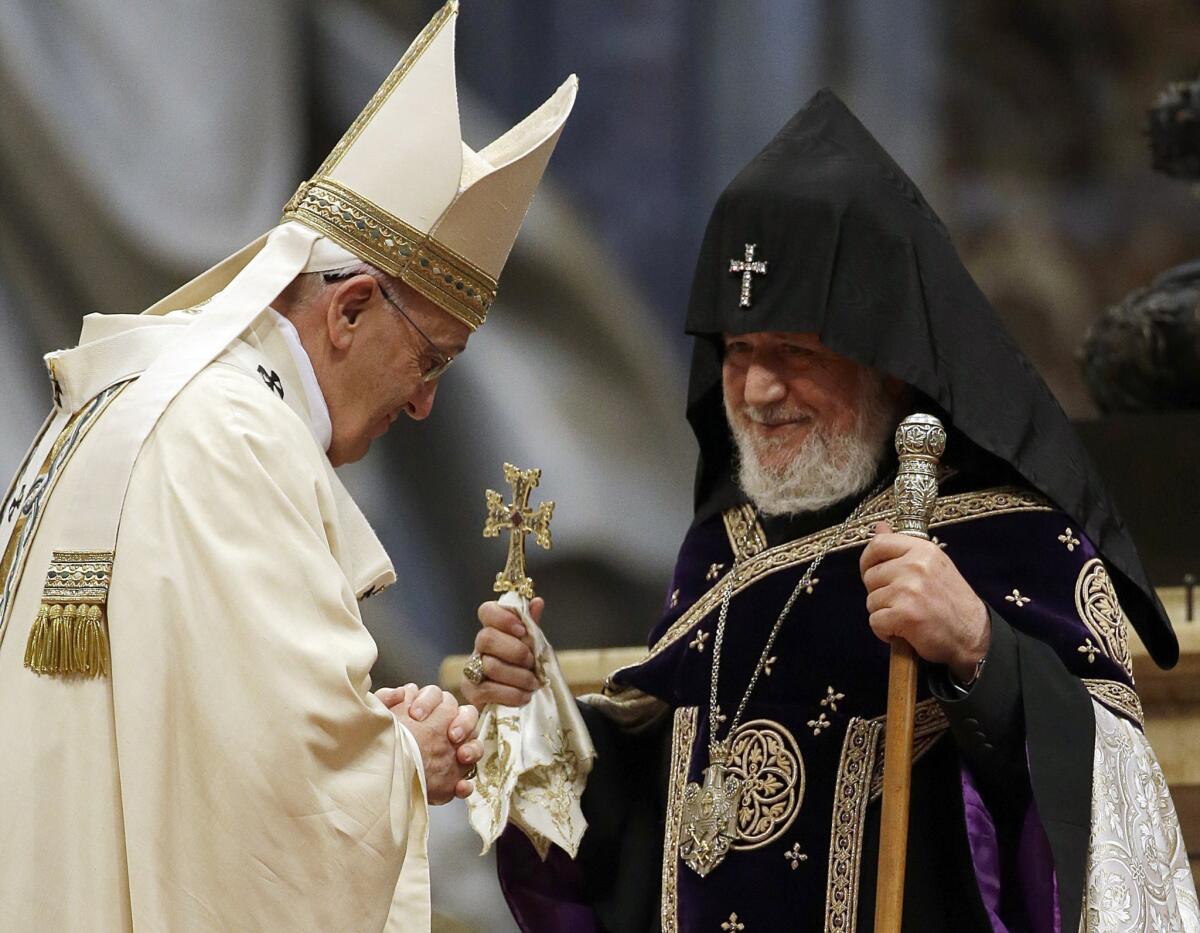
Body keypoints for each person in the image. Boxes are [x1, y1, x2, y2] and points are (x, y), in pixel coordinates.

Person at [460, 90, 1198, 932]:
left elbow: (1110, 811)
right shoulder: (720, 550)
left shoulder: (1009, 539)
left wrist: (980, 651)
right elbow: (662, 822)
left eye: (795, 354)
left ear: (888, 364)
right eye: (739, 352)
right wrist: (537, 716)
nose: (760, 390)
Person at [0, 3, 576, 931]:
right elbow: (278, 811)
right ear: (348, 309)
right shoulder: (240, 438)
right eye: (429, 358)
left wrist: (364, 729)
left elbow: (193, 730)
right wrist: (403, 761)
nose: (425, 401)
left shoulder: (138, 388)